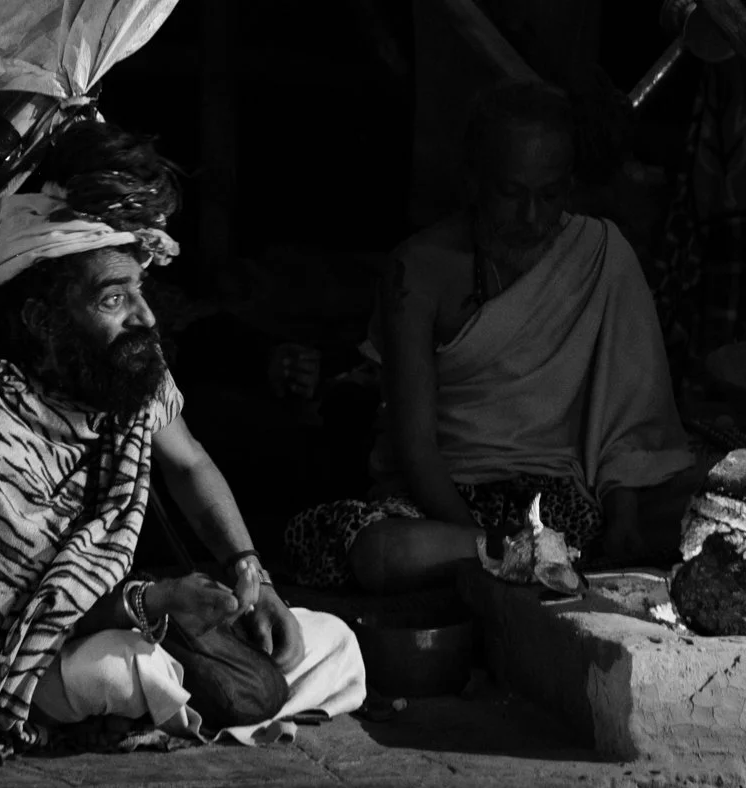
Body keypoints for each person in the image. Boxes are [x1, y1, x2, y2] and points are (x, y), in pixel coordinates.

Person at [0, 121, 365, 761]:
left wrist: (250, 572)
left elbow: (190, 464)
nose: (146, 316)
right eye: (114, 298)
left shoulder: (128, 378)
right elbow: (9, 603)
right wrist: (156, 603)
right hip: (9, 652)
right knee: (118, 673)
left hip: (131, 619)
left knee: (334, 642)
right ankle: (174, 703)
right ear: (44, 320)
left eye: (141, 291)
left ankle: (176, 708)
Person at [285, 81, 698, 593]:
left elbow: (630, 426)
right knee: (383, 549)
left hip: (560, 506)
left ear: (569, 186)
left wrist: (624, 520)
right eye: (510, 193)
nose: (531, 217)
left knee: (721, 509)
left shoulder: (601, 254)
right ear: (474, 182)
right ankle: (517, 560)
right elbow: (416, 446)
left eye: (549, 196)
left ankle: (539, 557)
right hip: (445, 500)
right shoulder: (418, 271)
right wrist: (485, 542)